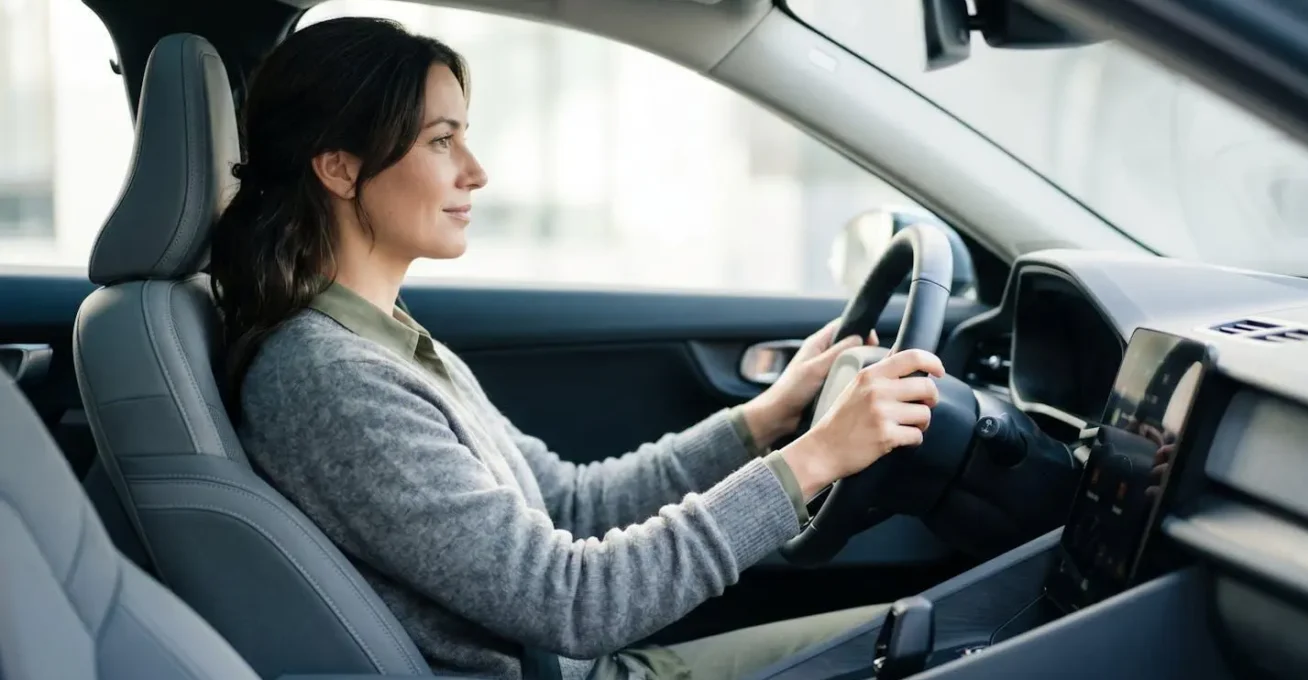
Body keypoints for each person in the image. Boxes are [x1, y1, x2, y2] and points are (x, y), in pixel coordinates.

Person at [209, 16, 945, 680]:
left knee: (940, 633)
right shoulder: (333, 381)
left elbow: (566, 503)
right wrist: (816, 459)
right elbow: (570, 601)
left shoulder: (385, 341)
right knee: (953, 642)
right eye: (440, 140)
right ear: (339, 168)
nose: (475, 170)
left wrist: (766, 420)